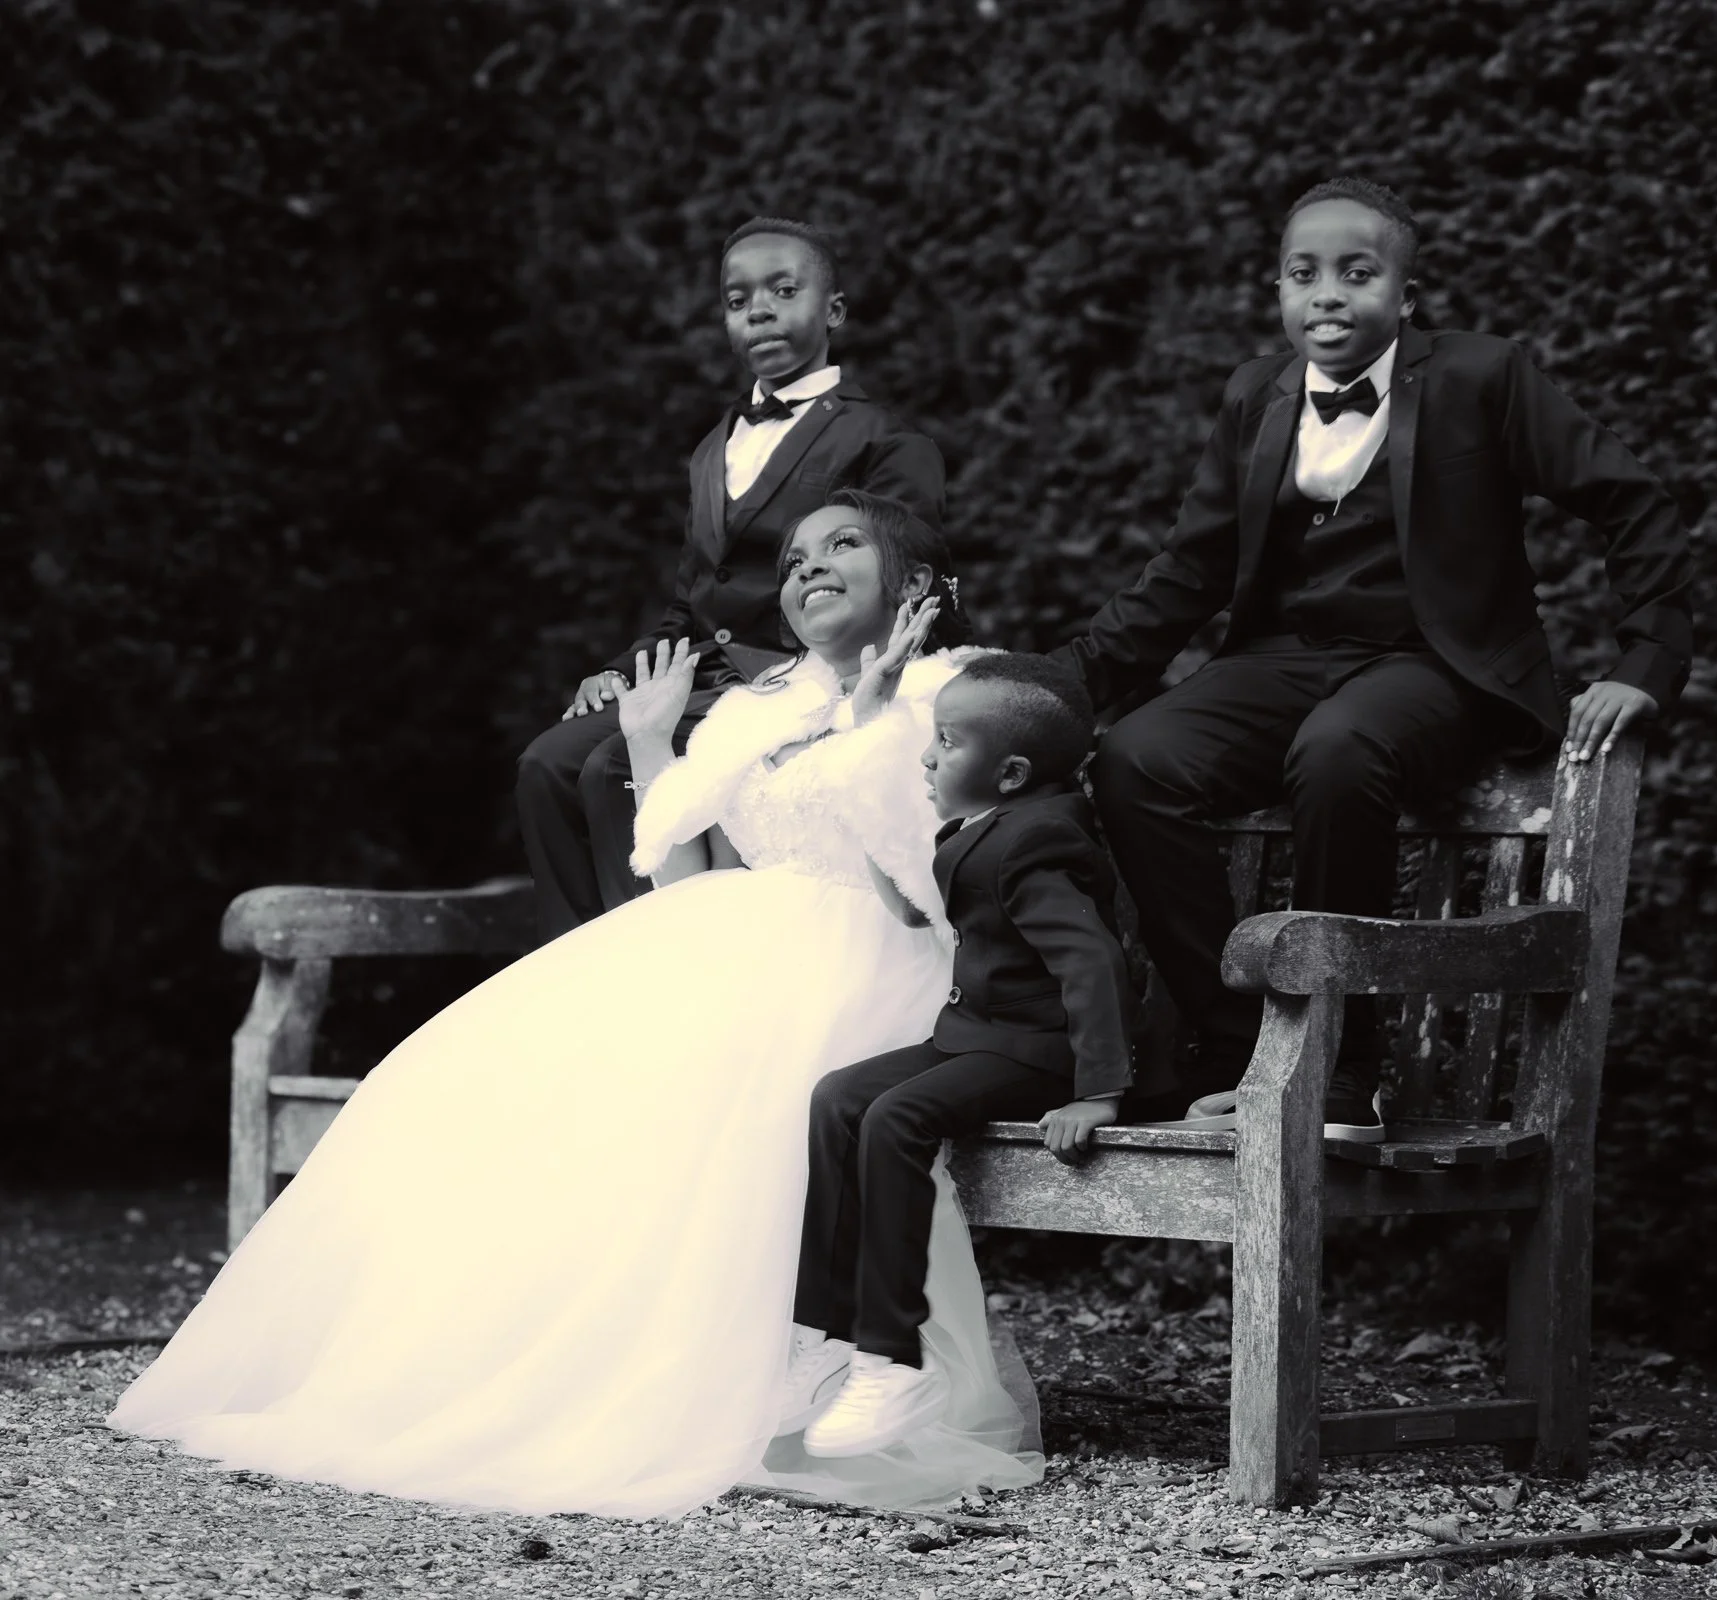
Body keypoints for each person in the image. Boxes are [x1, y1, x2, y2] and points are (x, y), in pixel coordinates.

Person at [111, 490, 1040, 1518]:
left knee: (710, 1080)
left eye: (841, 546)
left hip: (879, 951)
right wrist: (650, 743)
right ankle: (501, 1362)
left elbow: (928, 886)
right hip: (735, 936)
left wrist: (872, 722)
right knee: (483, 1071)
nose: (806, 567)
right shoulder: (756, 707)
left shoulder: (962, 694)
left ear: (912, 582)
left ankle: (809, 1356)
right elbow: (688, 883)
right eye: (791, 558)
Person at [1056, 176, 1695, 1133]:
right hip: (1285, 659)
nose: (1329, 294)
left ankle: (1341, 1069)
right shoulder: (1254, 395)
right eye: (1303, 274)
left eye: (1358, 274)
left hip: (1436, 664)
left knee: (1340, 747)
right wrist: (1051, 690)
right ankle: (1241, 1052)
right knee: (1135, 759)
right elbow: (1186, 572)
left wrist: (1643, 659)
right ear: (1276, 292)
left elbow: (1630, 497)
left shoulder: (1484, 377)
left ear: (1406, 295)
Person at [515, 216, 947, 942]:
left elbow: (901, 576)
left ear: (833, 310)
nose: (761, 310)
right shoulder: (713, 448)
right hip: (703, 673)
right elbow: (692, 600)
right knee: (544, 764)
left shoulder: (886, 439)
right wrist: (618, 673)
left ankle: (652, 957)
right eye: (739, 299)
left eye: (784, 290)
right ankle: (574, 960)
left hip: (795, 674)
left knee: (610, 768)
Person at [783, 654, 1134, 1457]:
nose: (928, 756)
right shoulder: (988, 826)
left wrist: (1098, 1092)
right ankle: (824, 1336)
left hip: (1040, 1052)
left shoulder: (1039, 842)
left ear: (1010, 773)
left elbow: (1093, 963)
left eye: (946, 742)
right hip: (974, 1033)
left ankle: (890, 1359)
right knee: (838, 1096)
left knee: (897, 1118)